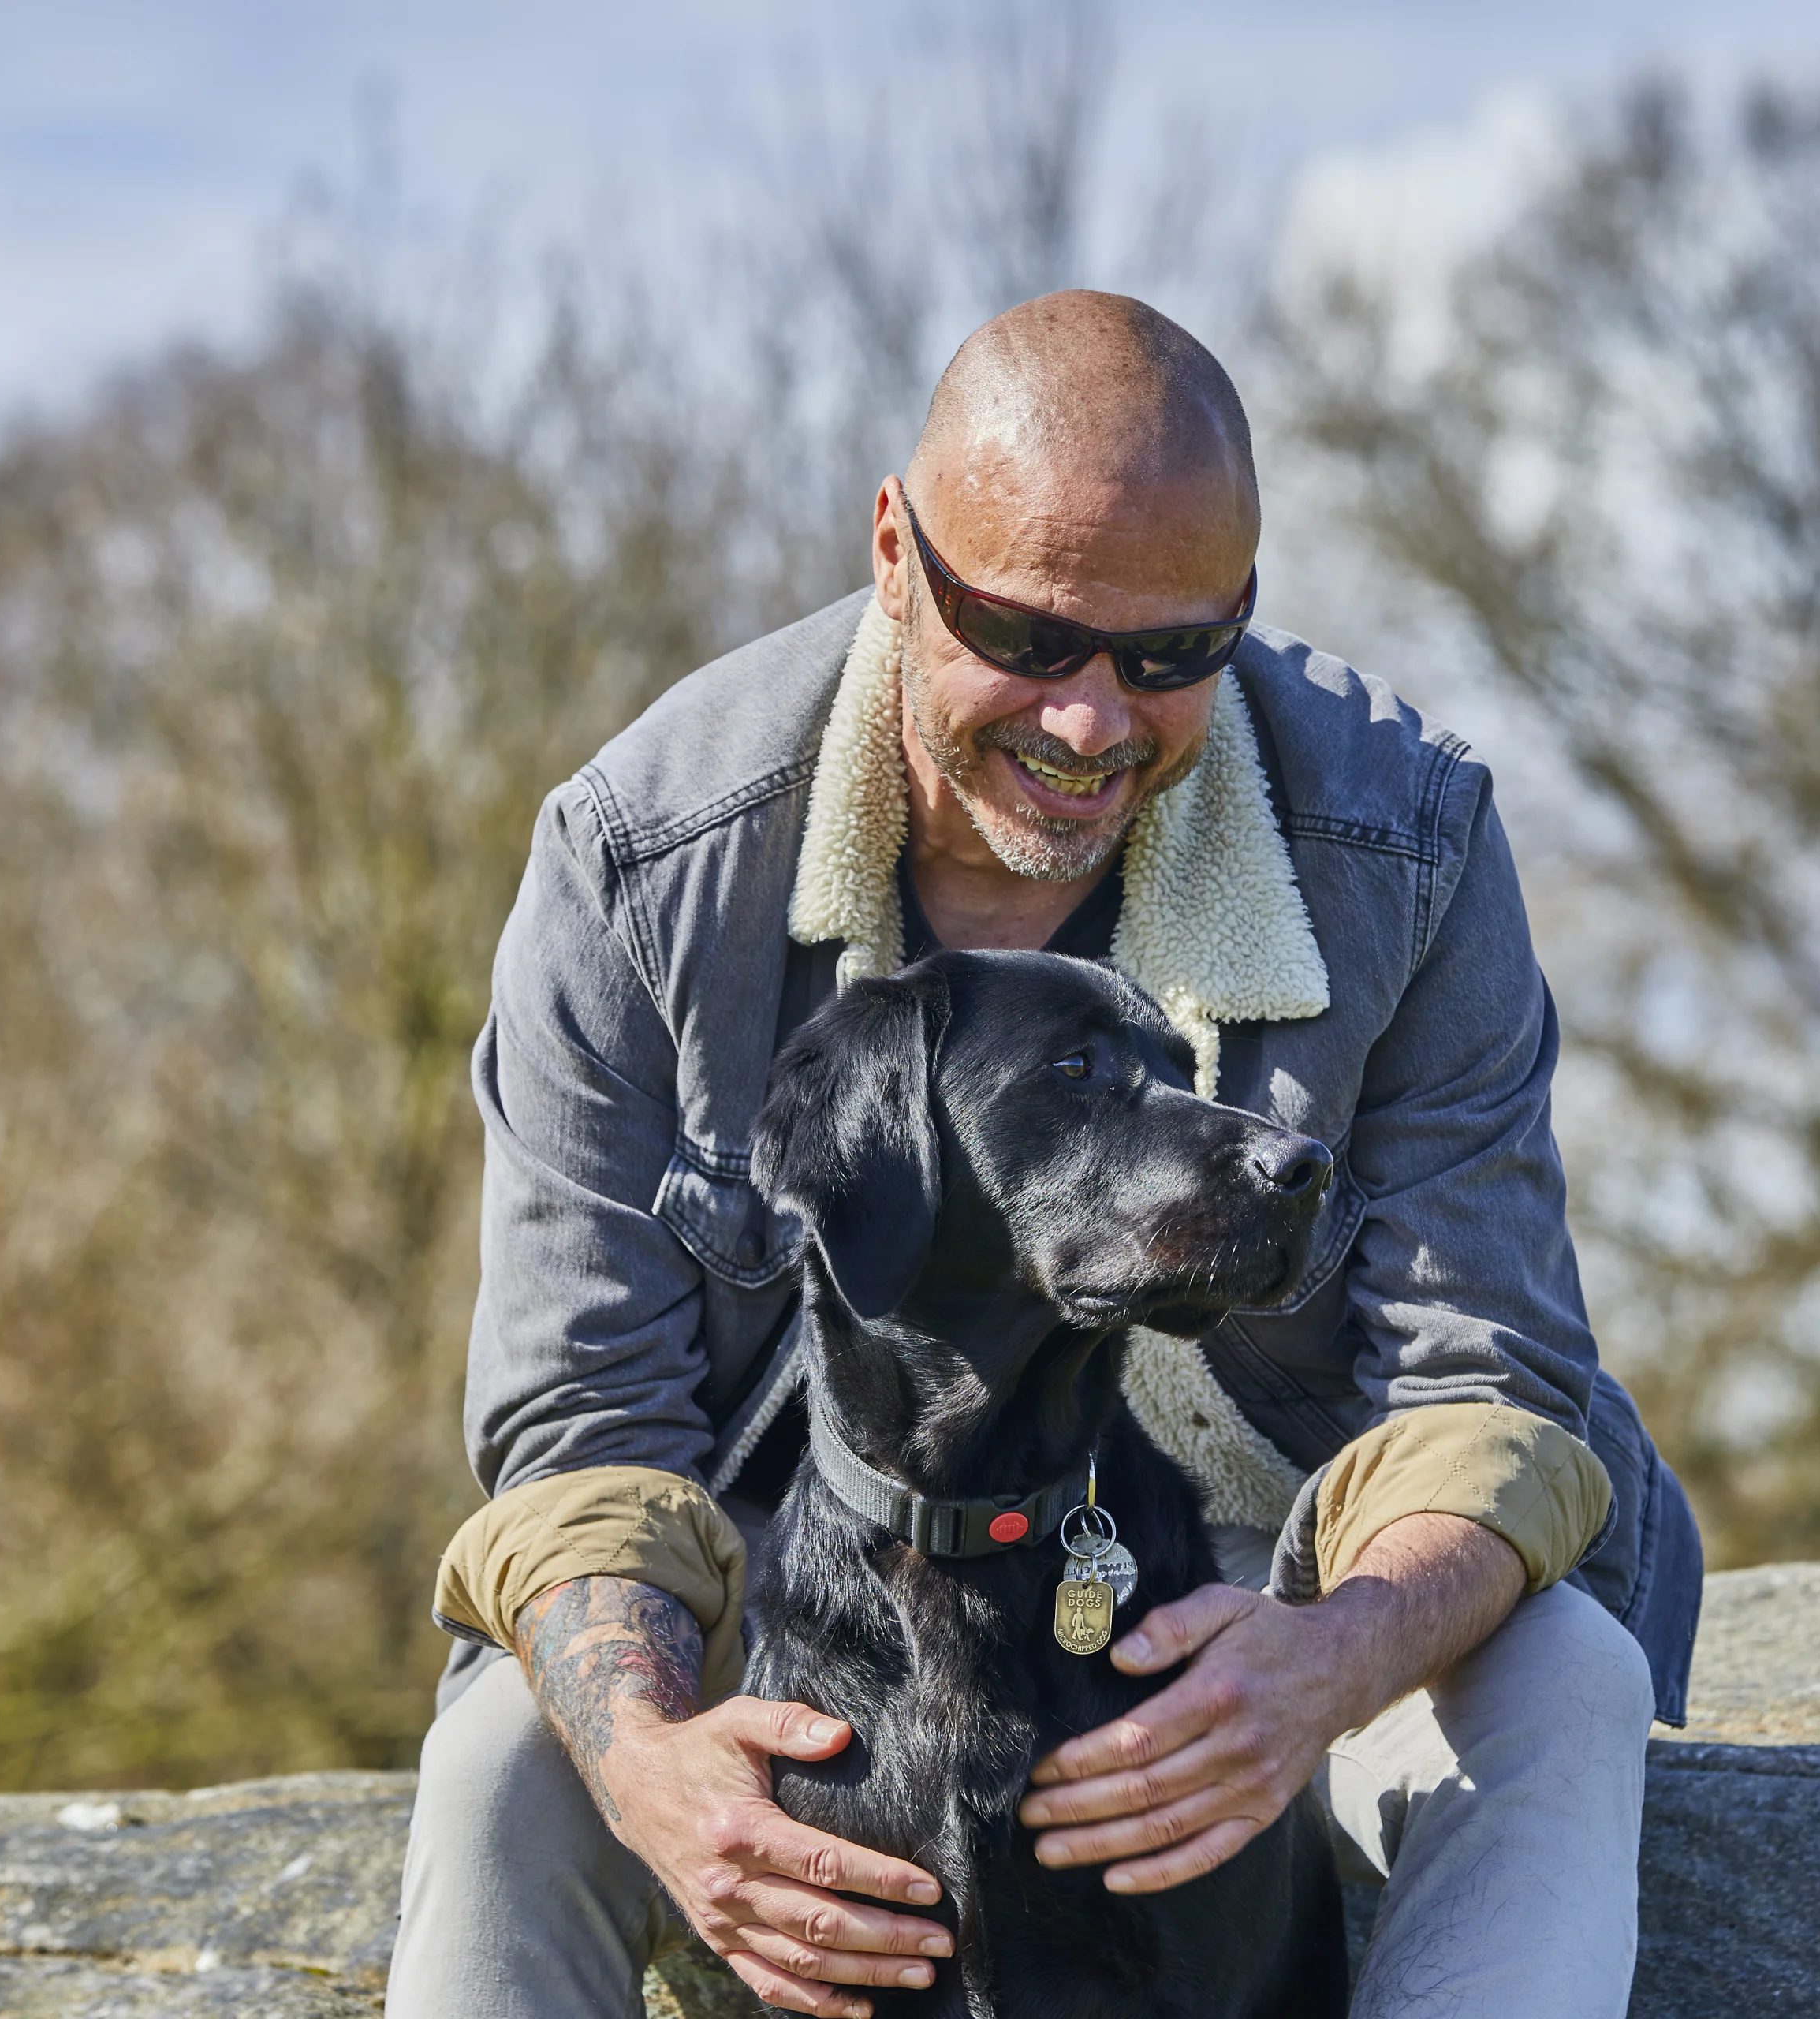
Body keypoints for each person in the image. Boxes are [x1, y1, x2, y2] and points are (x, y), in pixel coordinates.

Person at [389, 290, 1701, 2019]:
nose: (1093, 722)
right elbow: (578, 1426)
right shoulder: (636, 863)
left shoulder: (1415, 835)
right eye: (1027, 633)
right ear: (893, 549)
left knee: (1568, 1676)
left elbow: (1496, 1381)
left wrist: (1321, 1662)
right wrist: (651, 1764)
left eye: (1170, 656)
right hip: (810, 1585)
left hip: (1268, 1574)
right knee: (503, 1760)